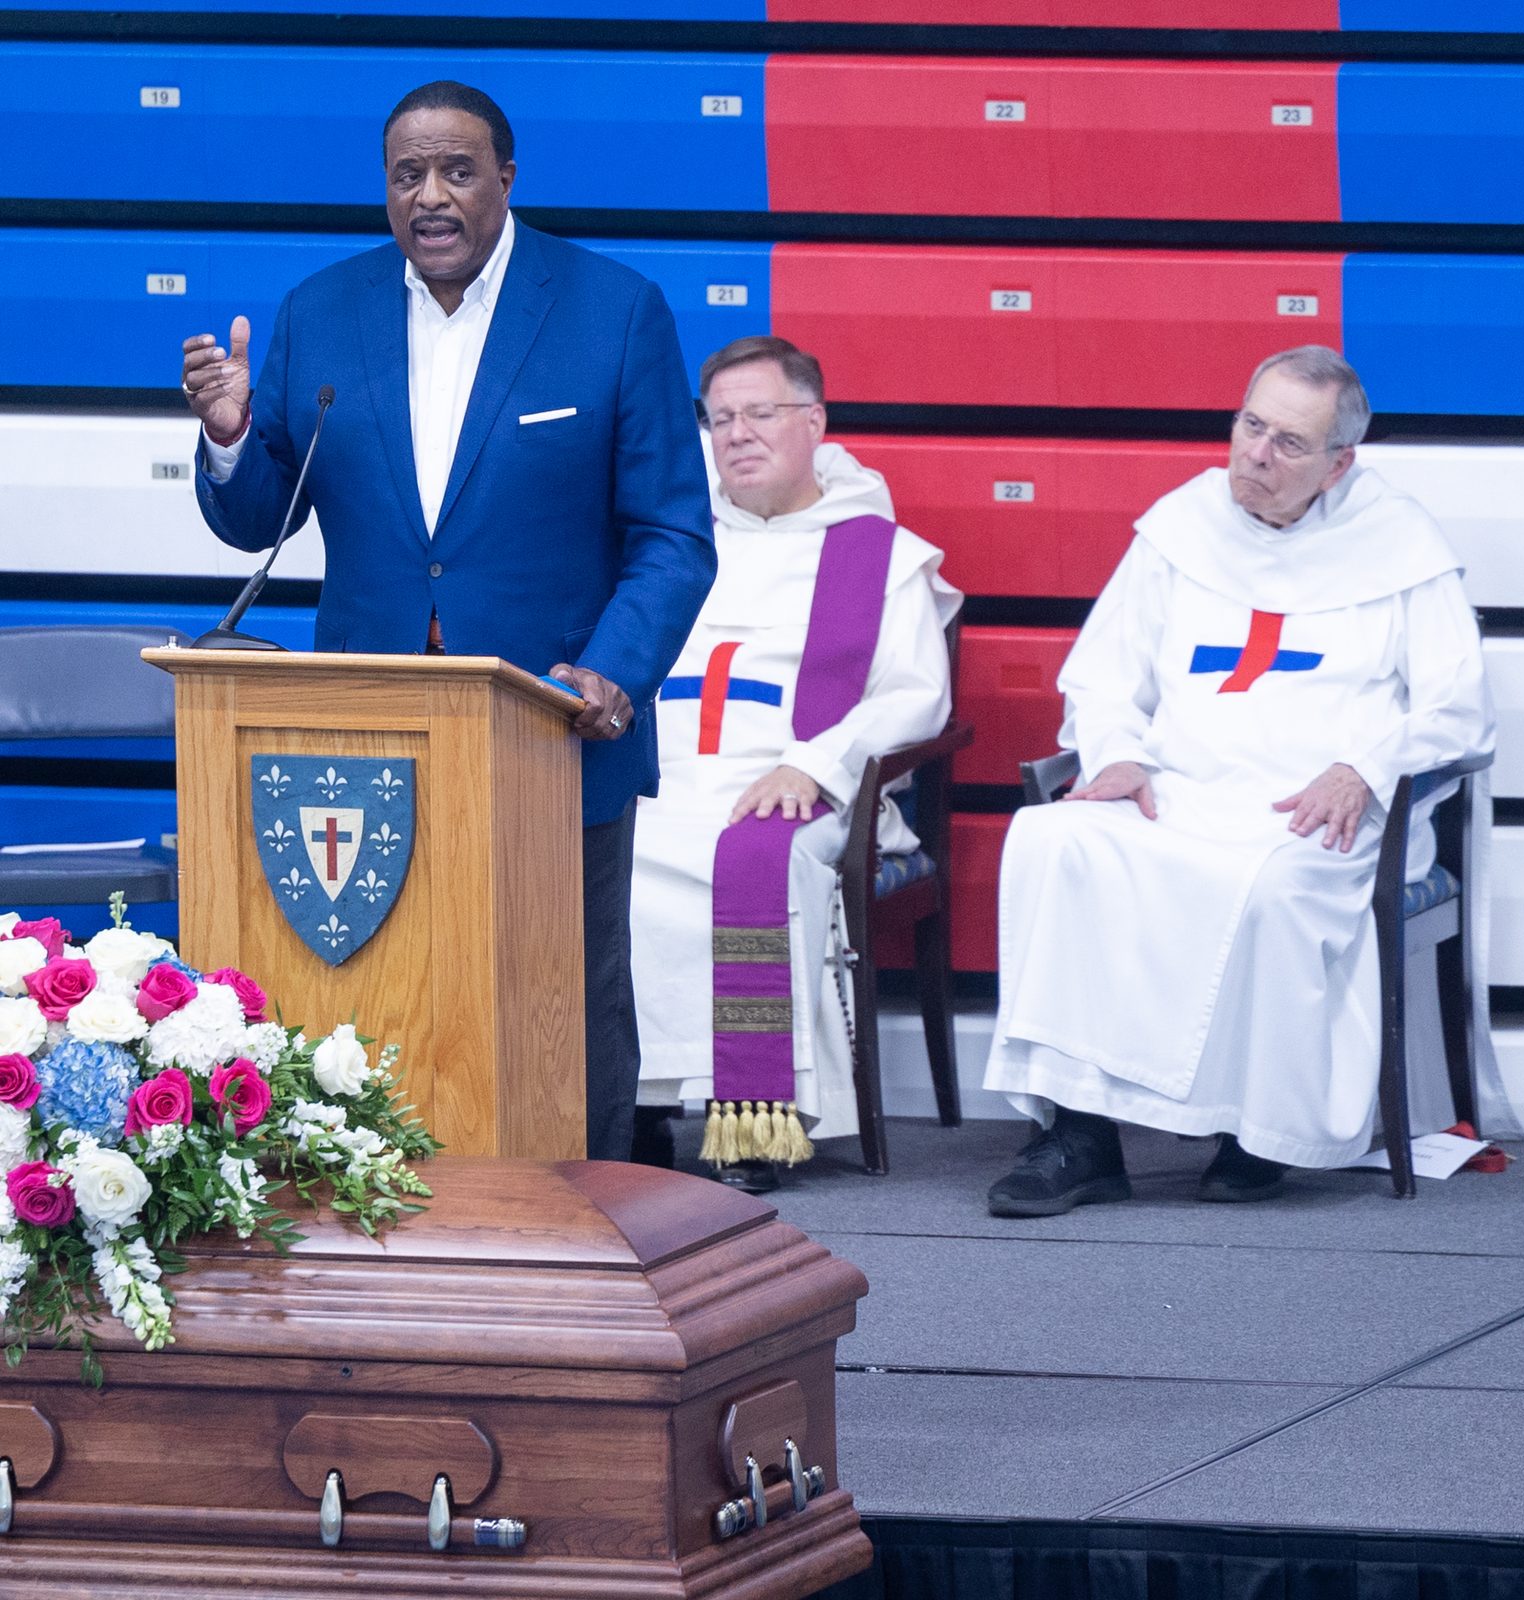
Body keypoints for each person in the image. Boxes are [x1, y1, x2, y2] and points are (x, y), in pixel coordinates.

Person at [179, 80, 716, 1163]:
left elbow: (673, 534)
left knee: (562, 1001)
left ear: (505, 181)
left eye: (457, 170)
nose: (431, 195)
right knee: (376, 995)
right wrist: (233, 434)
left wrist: (613, 671)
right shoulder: (322, 309)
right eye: (407, 175)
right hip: (365, 742)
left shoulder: (613, 308)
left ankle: (588, 1227)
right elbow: (255, 520)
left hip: (552, 733)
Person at [982, 345, 1495, 1216]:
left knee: (1273, 891)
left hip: (1313, 817)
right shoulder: (1181, 528)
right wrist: (1116, 753)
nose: (1255, 455)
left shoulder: (1401, 544)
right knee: (1051, 838)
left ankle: (1257, 1132)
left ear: (1342, 464)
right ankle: (1078, 1136)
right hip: (1175, 794)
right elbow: (1103, 675)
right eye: (1249, 425)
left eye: (1288, 443)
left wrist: (1364, 770)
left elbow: (1461, 708)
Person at [629, 336, 960, 1190]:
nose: (737, 434)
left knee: (750, 855)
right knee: (588, 851)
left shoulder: (875, 554)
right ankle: (632, 1106)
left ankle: (746, 1119)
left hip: (792, 785)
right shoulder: (667, 544)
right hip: (659, 775)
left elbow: (915, 696)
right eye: (721, 418)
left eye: (761, 413)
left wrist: (814, 763)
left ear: (813, 422)